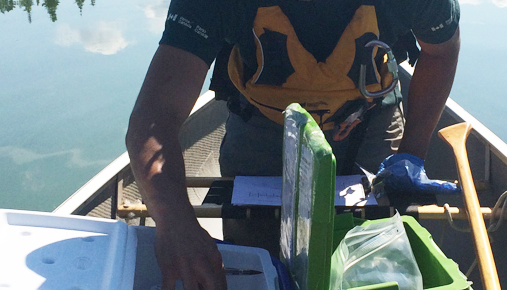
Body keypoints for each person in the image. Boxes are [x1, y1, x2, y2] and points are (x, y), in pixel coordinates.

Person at [125, 0, 461, 289]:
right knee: (256, 265)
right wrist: (175, 222)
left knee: (376, 257)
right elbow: (155, 116)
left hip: (370, 122)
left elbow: (441, 50)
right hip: (263, 126)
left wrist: (412, 152)